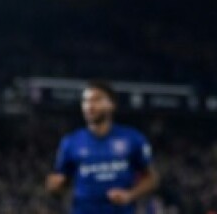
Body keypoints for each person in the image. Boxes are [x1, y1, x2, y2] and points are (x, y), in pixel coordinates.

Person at [47, 80, 159, 213]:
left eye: (96, 100)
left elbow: (152, 179)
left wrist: (130, 195)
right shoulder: (71, 142)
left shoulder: (133, 138)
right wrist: (54, 186)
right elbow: (59, 183)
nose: (89, 105)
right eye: (86, 101)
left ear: (112, 105)